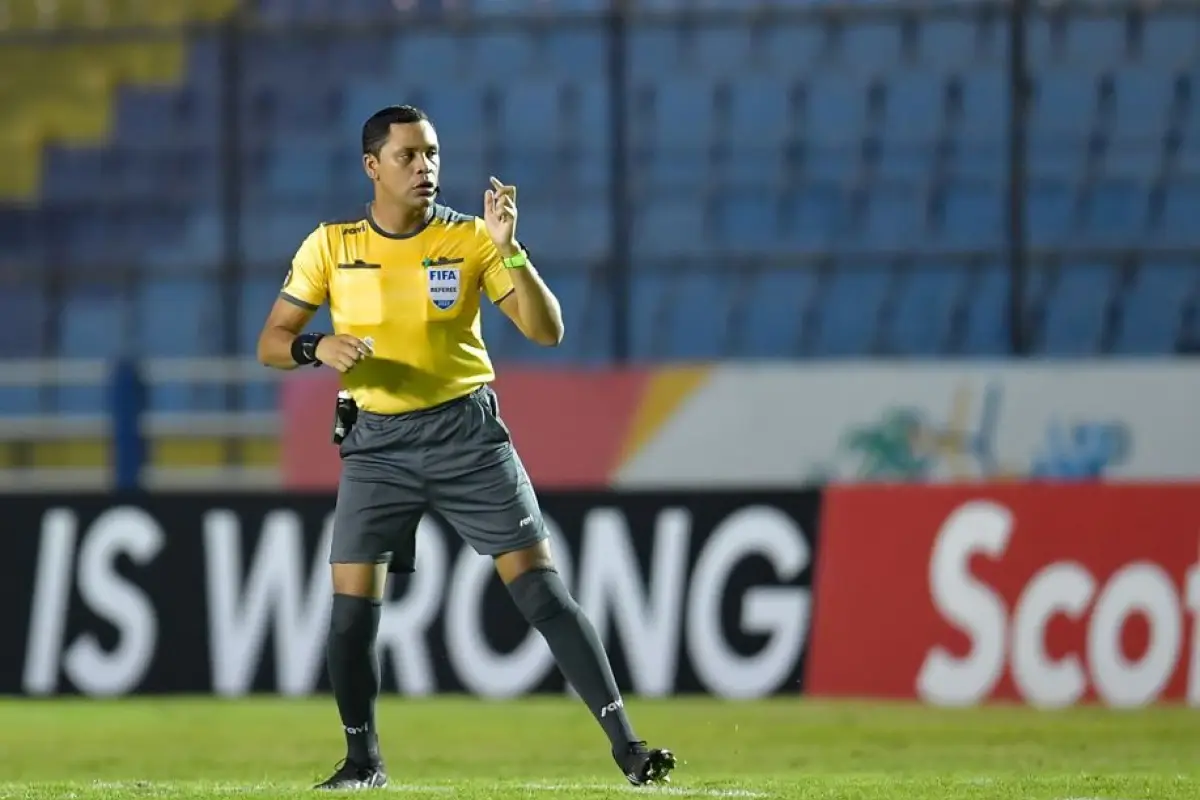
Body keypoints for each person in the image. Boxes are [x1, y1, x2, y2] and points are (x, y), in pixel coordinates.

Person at [255, 105, 677, 791]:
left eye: (433, 155)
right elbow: (270, 342)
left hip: (467, 437)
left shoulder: (472, 240)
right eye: (409, 156)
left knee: (541, 592)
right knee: (350, 611)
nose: (426, 168)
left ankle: (628, 747)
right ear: (373, 167)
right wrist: (316, 346)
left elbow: (547, 331)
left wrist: (510, 246)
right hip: (377, 446)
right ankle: (363, 760)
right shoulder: (329, 246)